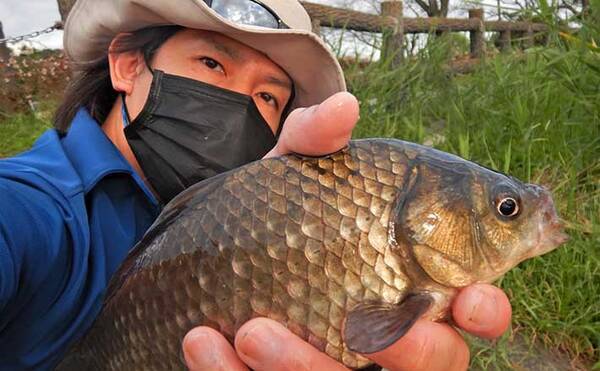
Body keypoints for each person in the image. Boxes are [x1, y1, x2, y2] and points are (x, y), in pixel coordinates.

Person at [0, 0, 511, 369]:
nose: (241, 104)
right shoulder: (30, 208)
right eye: (212, 63)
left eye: (268, 97)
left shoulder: (267, 211)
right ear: (128, 65)